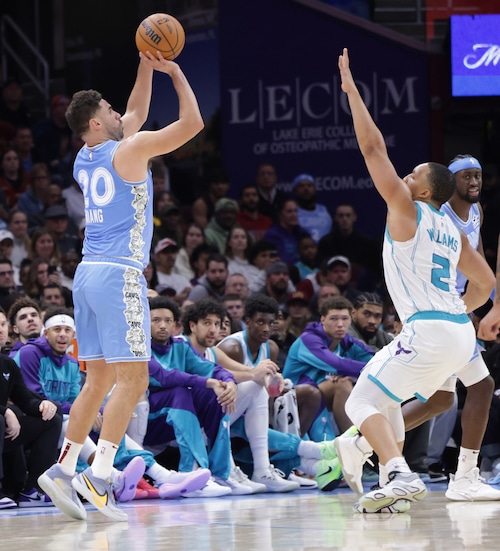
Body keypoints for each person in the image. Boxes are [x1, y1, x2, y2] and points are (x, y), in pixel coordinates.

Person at [37, 50, 204, 522]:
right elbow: (191, 124)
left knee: (100, 379)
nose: (120, 115)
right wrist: (174, 71)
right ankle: (101, 474)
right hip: (119, 273)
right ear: (95, 123)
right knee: (136, 378)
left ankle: (65, 465)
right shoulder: (129, 149)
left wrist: (145, 64)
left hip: (87, 276)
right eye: (109, 112)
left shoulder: (83, 157)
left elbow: (135, 111)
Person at [332, 48, 494, 514]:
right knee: (407, 397)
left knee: (361, 401)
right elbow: (483, 286)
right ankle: (391, 485)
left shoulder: (405, 209)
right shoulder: (454, 230)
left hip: (426, 329)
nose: (404, 175)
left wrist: (351, 92)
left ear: (422, 191)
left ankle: (398, 470)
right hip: (458, 333)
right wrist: (459, 312)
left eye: (413, 174)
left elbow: (372, 148)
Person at [400, 154, 500, 500]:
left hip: (455, 307)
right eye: (467, 177)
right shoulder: (434, 216)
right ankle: (465, 477)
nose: (474, 182)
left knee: (439, 400)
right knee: (482, 386)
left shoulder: (476, 212)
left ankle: (359, 442)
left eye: (479, 176)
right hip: (435, 309)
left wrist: (481, 307)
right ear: (448, 183)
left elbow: (480, 263)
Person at [283, 296, 373, 437]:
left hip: (321, 394)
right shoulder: (309, 340)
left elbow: (377, 362)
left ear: (351, 319)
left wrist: (353, 375)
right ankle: (353, 441)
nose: (340, 324)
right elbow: (337, 364)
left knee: (371, 383)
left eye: (344, 319)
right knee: (342, 384)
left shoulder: (348, 342)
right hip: (294, 397)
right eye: (334, 319)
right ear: (322, 319)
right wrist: (353, 373)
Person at [0, 306, 62, 509]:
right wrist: (5, 411)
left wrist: (42, 405)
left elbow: (24, 398)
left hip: (4, 431)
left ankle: (35, 489)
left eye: (2, 325)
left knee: (51, 418)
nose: (0, 330)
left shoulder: (7, 364)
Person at [262, 198, 310, 266]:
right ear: (280, 214)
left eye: (295, 211)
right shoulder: (272, 235)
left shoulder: (302, 232)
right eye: (289, 212)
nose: (294, 215)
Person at [292, 173, 332, 243]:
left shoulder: (325, 210)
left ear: (314, 189)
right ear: (295, 191)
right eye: (301, 186)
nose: (306, 189)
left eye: (309, 185)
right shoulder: (292, 212)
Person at [153, 238, 192, 304]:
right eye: (165, 252)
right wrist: (175, 298)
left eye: (173, 252)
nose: (170, 255)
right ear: (157, 257)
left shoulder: (182, 278)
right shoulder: (153, 278)